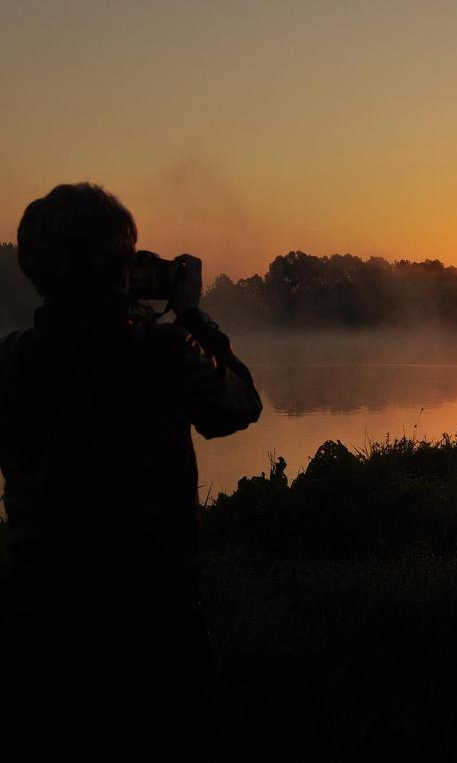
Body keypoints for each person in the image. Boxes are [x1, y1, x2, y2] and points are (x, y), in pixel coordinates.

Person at [0, 183, 262, 748]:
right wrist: (190, 316)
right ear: (118, 265)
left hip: (41, 626)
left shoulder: (10, 363)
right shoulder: (161, 354)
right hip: (156, 631)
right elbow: (241, 405)